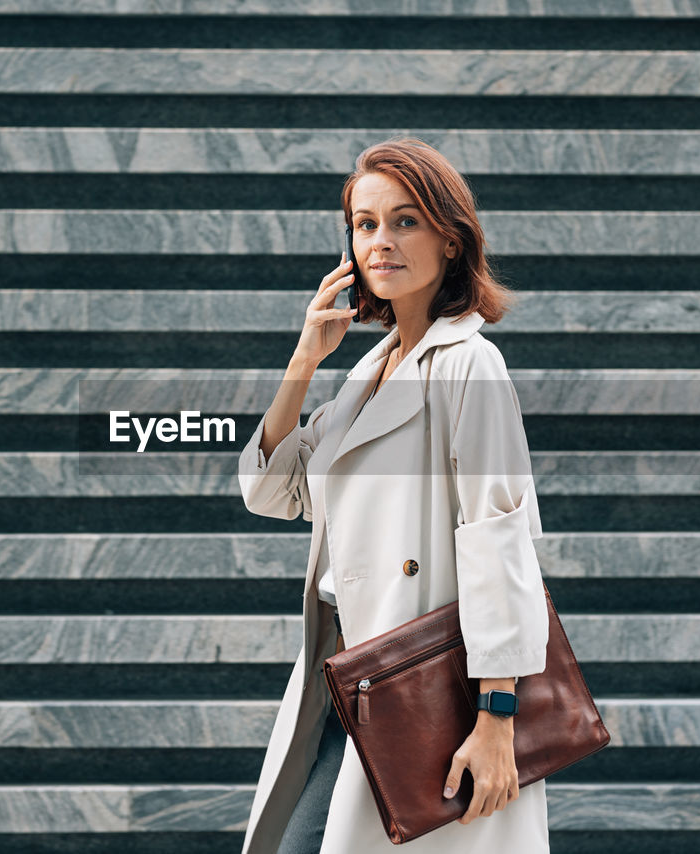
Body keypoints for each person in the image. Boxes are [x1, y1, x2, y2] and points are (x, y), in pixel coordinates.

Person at [236, 138, 551, 853]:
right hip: (349, 679)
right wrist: (303, 360)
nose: (381, 241)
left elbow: (498, 539)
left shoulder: (469, 364)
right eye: (365, 223)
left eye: (405, 222)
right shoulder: (368, 374)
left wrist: (498, 717)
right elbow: (274, 491)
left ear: (449, 238)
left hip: (423, 685)